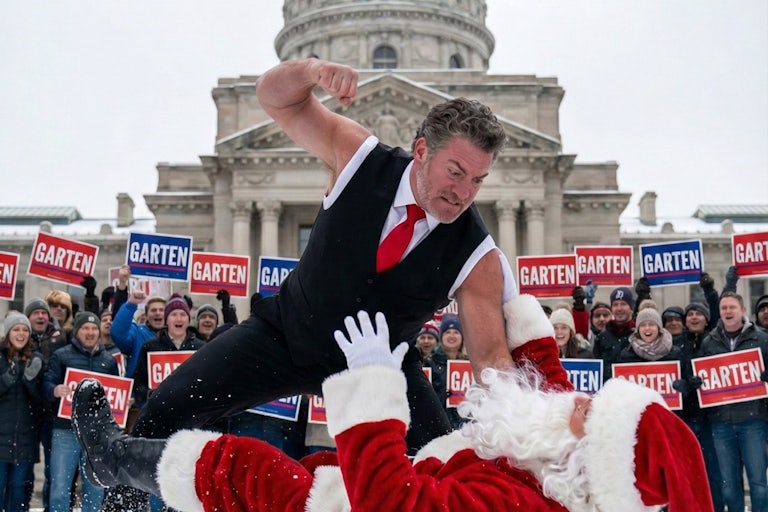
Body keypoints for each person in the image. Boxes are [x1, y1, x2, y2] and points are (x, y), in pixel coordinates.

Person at [130, 57, 514, 458]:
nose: (464, 192)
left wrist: (519, 434)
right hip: (284, 337)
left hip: (384, 367)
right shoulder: (359, 157)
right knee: (162, 415)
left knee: (437, 466)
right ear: (421, 150)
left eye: (477, 180)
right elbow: (276, 99)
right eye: (455, 172)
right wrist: (311, 72)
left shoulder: (477, 253)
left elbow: (491, 361)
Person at [70, 303, 712, 512]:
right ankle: (126, 470)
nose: (578, 397)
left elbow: (390, 501)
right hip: (436, 462)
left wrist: (371, 388)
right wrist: (504, 288)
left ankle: (112, 460)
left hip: (374, 498)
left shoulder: (515, 504)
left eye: (590, 410)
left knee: (242, 468)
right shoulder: (558, 448)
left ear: (589, 458)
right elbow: (542, 379)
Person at [697, 292, 768, 512]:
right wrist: (696, 382)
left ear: (743, 310)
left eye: (732, 307)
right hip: (722, 422)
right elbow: (701, 376)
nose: (728, 311)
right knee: (729, 486)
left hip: (753, 421)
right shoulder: (709, 342)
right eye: (724, 308)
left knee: (758, 483)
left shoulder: (762, 338)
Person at [43, 312, 119, 512]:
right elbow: (47, 383)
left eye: (94, 328)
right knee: (60, 487)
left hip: (95, 435)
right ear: (77, 331)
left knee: (95, 487)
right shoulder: (62, 355)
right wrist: (54, 390)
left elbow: (115, 392)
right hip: (65, 430)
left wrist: (123, 401)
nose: (90, 332)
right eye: (85, 328)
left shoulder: (109, 361)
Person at [24, 297, 67, 511]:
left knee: (54, 469)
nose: (41, 316)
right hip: (26, 414)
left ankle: (50, 507)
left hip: (53, 413)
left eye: (44, 313)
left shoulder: (61, 338)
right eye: (36, 313)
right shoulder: (20, 336)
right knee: (23, 469)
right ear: (28, 317)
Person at [0, 313, 44, 512]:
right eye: (16, 329)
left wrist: (30, 382)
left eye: (25, 329)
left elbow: (41, 403)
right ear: (8, 333)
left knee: (18, 492)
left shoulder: (35, 358)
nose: (21, 333)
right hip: (1, 440)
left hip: (25, 441)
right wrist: (6, 380)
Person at [108, 264, 167, 379]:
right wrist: (131, 304)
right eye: (153, 310)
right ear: (147, 315)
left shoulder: (176, 336)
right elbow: (117, 333)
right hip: (140, 393)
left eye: (162, 310)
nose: (158, 313)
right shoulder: (137, 333)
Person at [592, 286, 635, 382]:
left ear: (631, 307)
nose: (619, 308)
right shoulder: (601, 337)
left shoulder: (638, 335)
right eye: (615, 304)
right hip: (609, 392)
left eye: (623, 304)